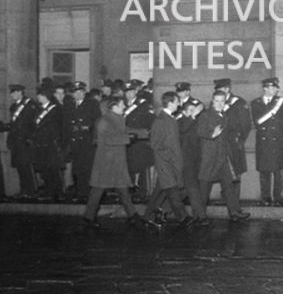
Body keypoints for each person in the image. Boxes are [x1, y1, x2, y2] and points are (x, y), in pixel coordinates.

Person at [82, 95, 156, 230]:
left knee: (123, 190)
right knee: (98, 190)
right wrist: (129, 139)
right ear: (114, 107)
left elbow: (126, 130)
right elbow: (107, 139)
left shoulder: (116, 119)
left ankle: (132, 216)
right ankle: (88, 217)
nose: (124, 107)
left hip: (116, 162)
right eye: (122, 105)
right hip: (106, 162)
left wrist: (143, 132)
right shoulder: (104, 121)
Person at [198, 89, 251, 221]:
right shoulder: (206, 115)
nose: (220, 104)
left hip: (222, 157)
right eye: (217, 101)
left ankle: (234, 212)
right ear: (212, 101)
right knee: (204, 188)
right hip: (210, 158)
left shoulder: (224, 116)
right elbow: (199, 131)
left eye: (222, 101)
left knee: (228, 186)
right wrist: (212, 134)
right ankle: (199, 216)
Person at [145, 91, 192, 227]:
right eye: (177, 101)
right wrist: (169, 158)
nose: (179, 104)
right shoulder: (161, 121)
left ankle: (147, 216)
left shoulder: (170, 119)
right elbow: (155, 144)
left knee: (160, 190)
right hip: (166, 162)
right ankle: (183, 217)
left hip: (170, 162)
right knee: (172, 190)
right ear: (170, 103)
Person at [251, 77, 283, 206]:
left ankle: (278, 198)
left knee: (278, 172)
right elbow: (257, 122)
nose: (275, 90)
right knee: (264, 171)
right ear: (265, 88)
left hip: (277, 141)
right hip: (263, 142)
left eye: (276, 87)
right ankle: (266, 197)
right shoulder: (255, 103)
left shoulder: (282, 102)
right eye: (273, 87)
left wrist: (281, 134)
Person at [214, 77, 253, 202]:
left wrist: (239, 139)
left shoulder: (239, 102)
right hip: (220, 142)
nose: (219, 92)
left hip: (233, 142)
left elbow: (246, 124)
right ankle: (225, 196)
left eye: (220, 89)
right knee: (222, 169)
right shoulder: (216, 101)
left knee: (235, 171)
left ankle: (234, 199)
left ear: (227, 89)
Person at [178, 99, 211, 227]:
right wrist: (192, 116)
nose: (194, 113)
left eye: (195, 110)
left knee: (184, 190)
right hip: (186, 161)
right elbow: (183, 129)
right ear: (184, 112)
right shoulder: (181, 122)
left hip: (196, 160)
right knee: (193, 189)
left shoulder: (196, 122)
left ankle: (164, 208)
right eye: (190, 110)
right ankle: (201, 217)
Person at [31, 86, 65, 202]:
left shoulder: (56, 109)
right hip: (41, 144)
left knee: (53, 169)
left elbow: (58, 127)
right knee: (44, 170)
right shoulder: (38, 110)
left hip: (51, 144)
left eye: (39, 95)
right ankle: (49, 191)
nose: (38, 98)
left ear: (44, 96)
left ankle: (57, 192)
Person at [67, 82, 100, 202]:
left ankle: (87, 193)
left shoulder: (92, 104)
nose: (78, 94)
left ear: (84, 92)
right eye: (75, 92)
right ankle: (80, 192)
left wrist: (88, 128)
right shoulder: (70, 105)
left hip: (87, 140)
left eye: (80, 92)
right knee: (77, 168)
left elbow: (97, 120)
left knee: (87, 168)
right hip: (75, 140)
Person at [7, 84, 37, 200]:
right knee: (20, 167)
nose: (12, 95)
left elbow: (30, 124)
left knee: (26, 167)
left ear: (20, 93)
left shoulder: (29, 105)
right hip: (17, 141)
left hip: (25, 141)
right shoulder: (14, 107)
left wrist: (28, 137)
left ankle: (31, 191)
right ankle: (24, 190)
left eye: (14, 93)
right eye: (12, 93)